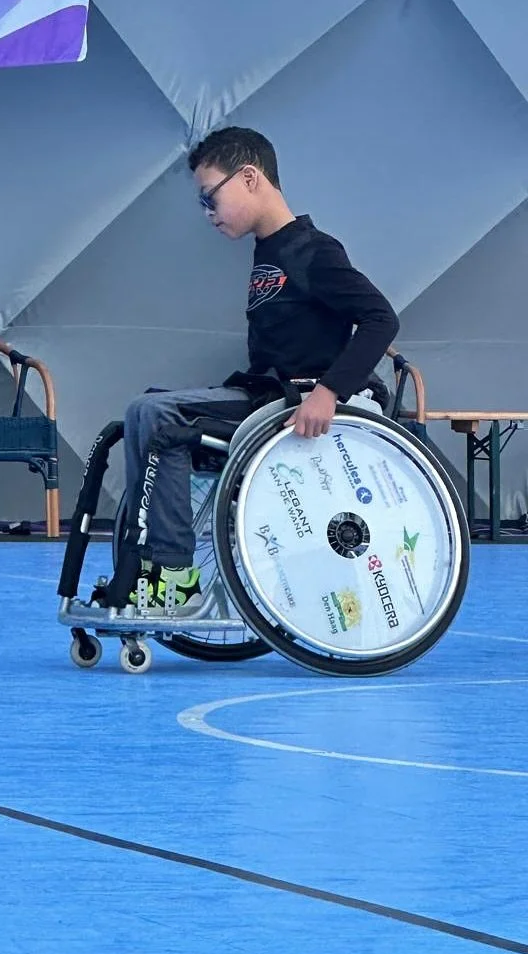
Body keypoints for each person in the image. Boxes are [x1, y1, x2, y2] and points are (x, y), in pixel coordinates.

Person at [121, 125, 398, 612]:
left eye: (210, 198)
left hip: (291, 407)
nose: (208, 214)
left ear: (249, 178)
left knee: (157, 414)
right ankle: (146, 570)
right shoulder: (269, 251)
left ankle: (172, 581)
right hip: (264, 397)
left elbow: (381, 319)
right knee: (146, 410)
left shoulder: (312, 251)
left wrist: (328, 393)